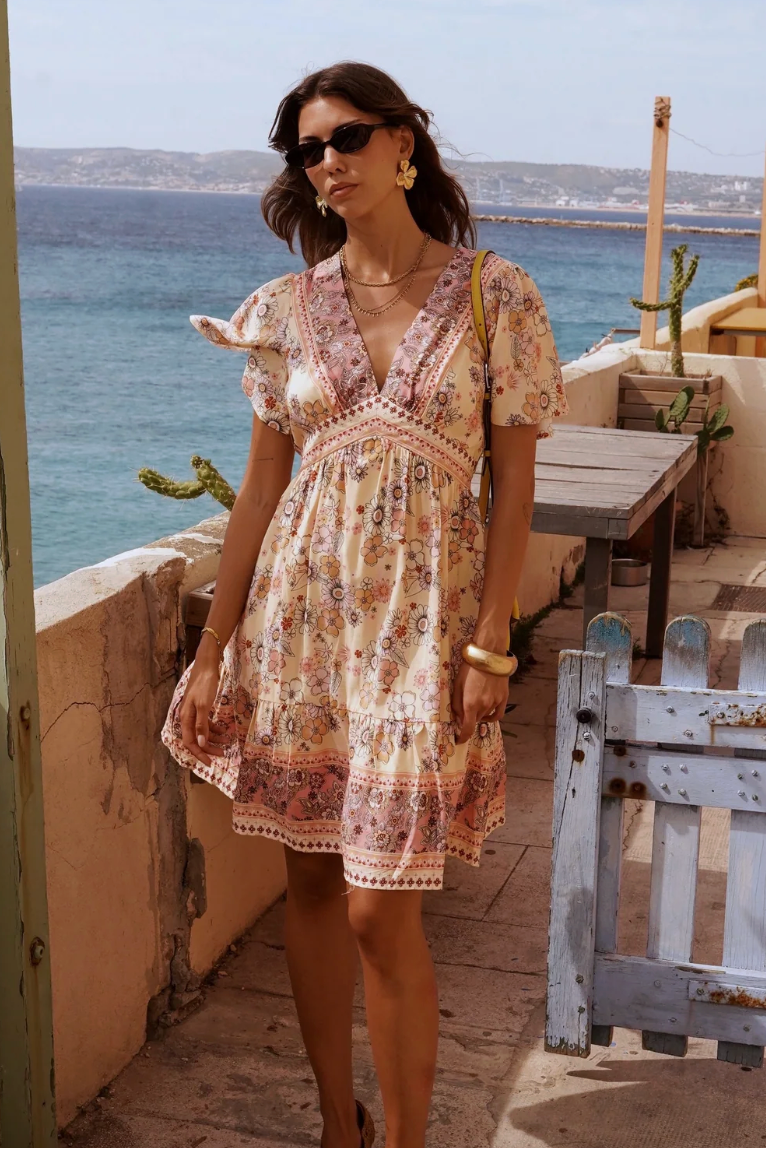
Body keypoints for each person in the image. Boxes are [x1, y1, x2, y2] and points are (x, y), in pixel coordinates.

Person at [162, 61, 567, 1150]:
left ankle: (403, 1139)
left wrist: (490, 645)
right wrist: (213, 650)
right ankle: (338, 1127)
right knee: (308, 888)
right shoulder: (286, 311)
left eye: (346, 139)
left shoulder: (497, 295)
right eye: (308, 150)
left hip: (423, 630)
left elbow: (514, 482)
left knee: (379, 903)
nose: (327, 163)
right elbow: (261, 489)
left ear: (404, 145)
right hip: (302, 631)